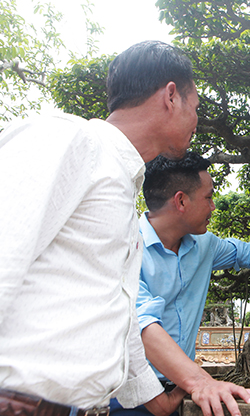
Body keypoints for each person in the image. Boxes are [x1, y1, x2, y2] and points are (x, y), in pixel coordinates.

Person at [0, 41, 202, 416]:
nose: (196, 120)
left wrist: (150, 394)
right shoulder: (67, 140)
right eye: (195, 106)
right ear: (171, 96)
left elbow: (115, 309)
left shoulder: (121, 186)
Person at [114, 152, 250, 416]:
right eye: (208, 198)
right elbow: (141, 323)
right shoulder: (124, 247)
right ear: (181, 200)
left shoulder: (204, 245)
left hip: (180, 390)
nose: (213, 206)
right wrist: (201, 381)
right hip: (124, 395)